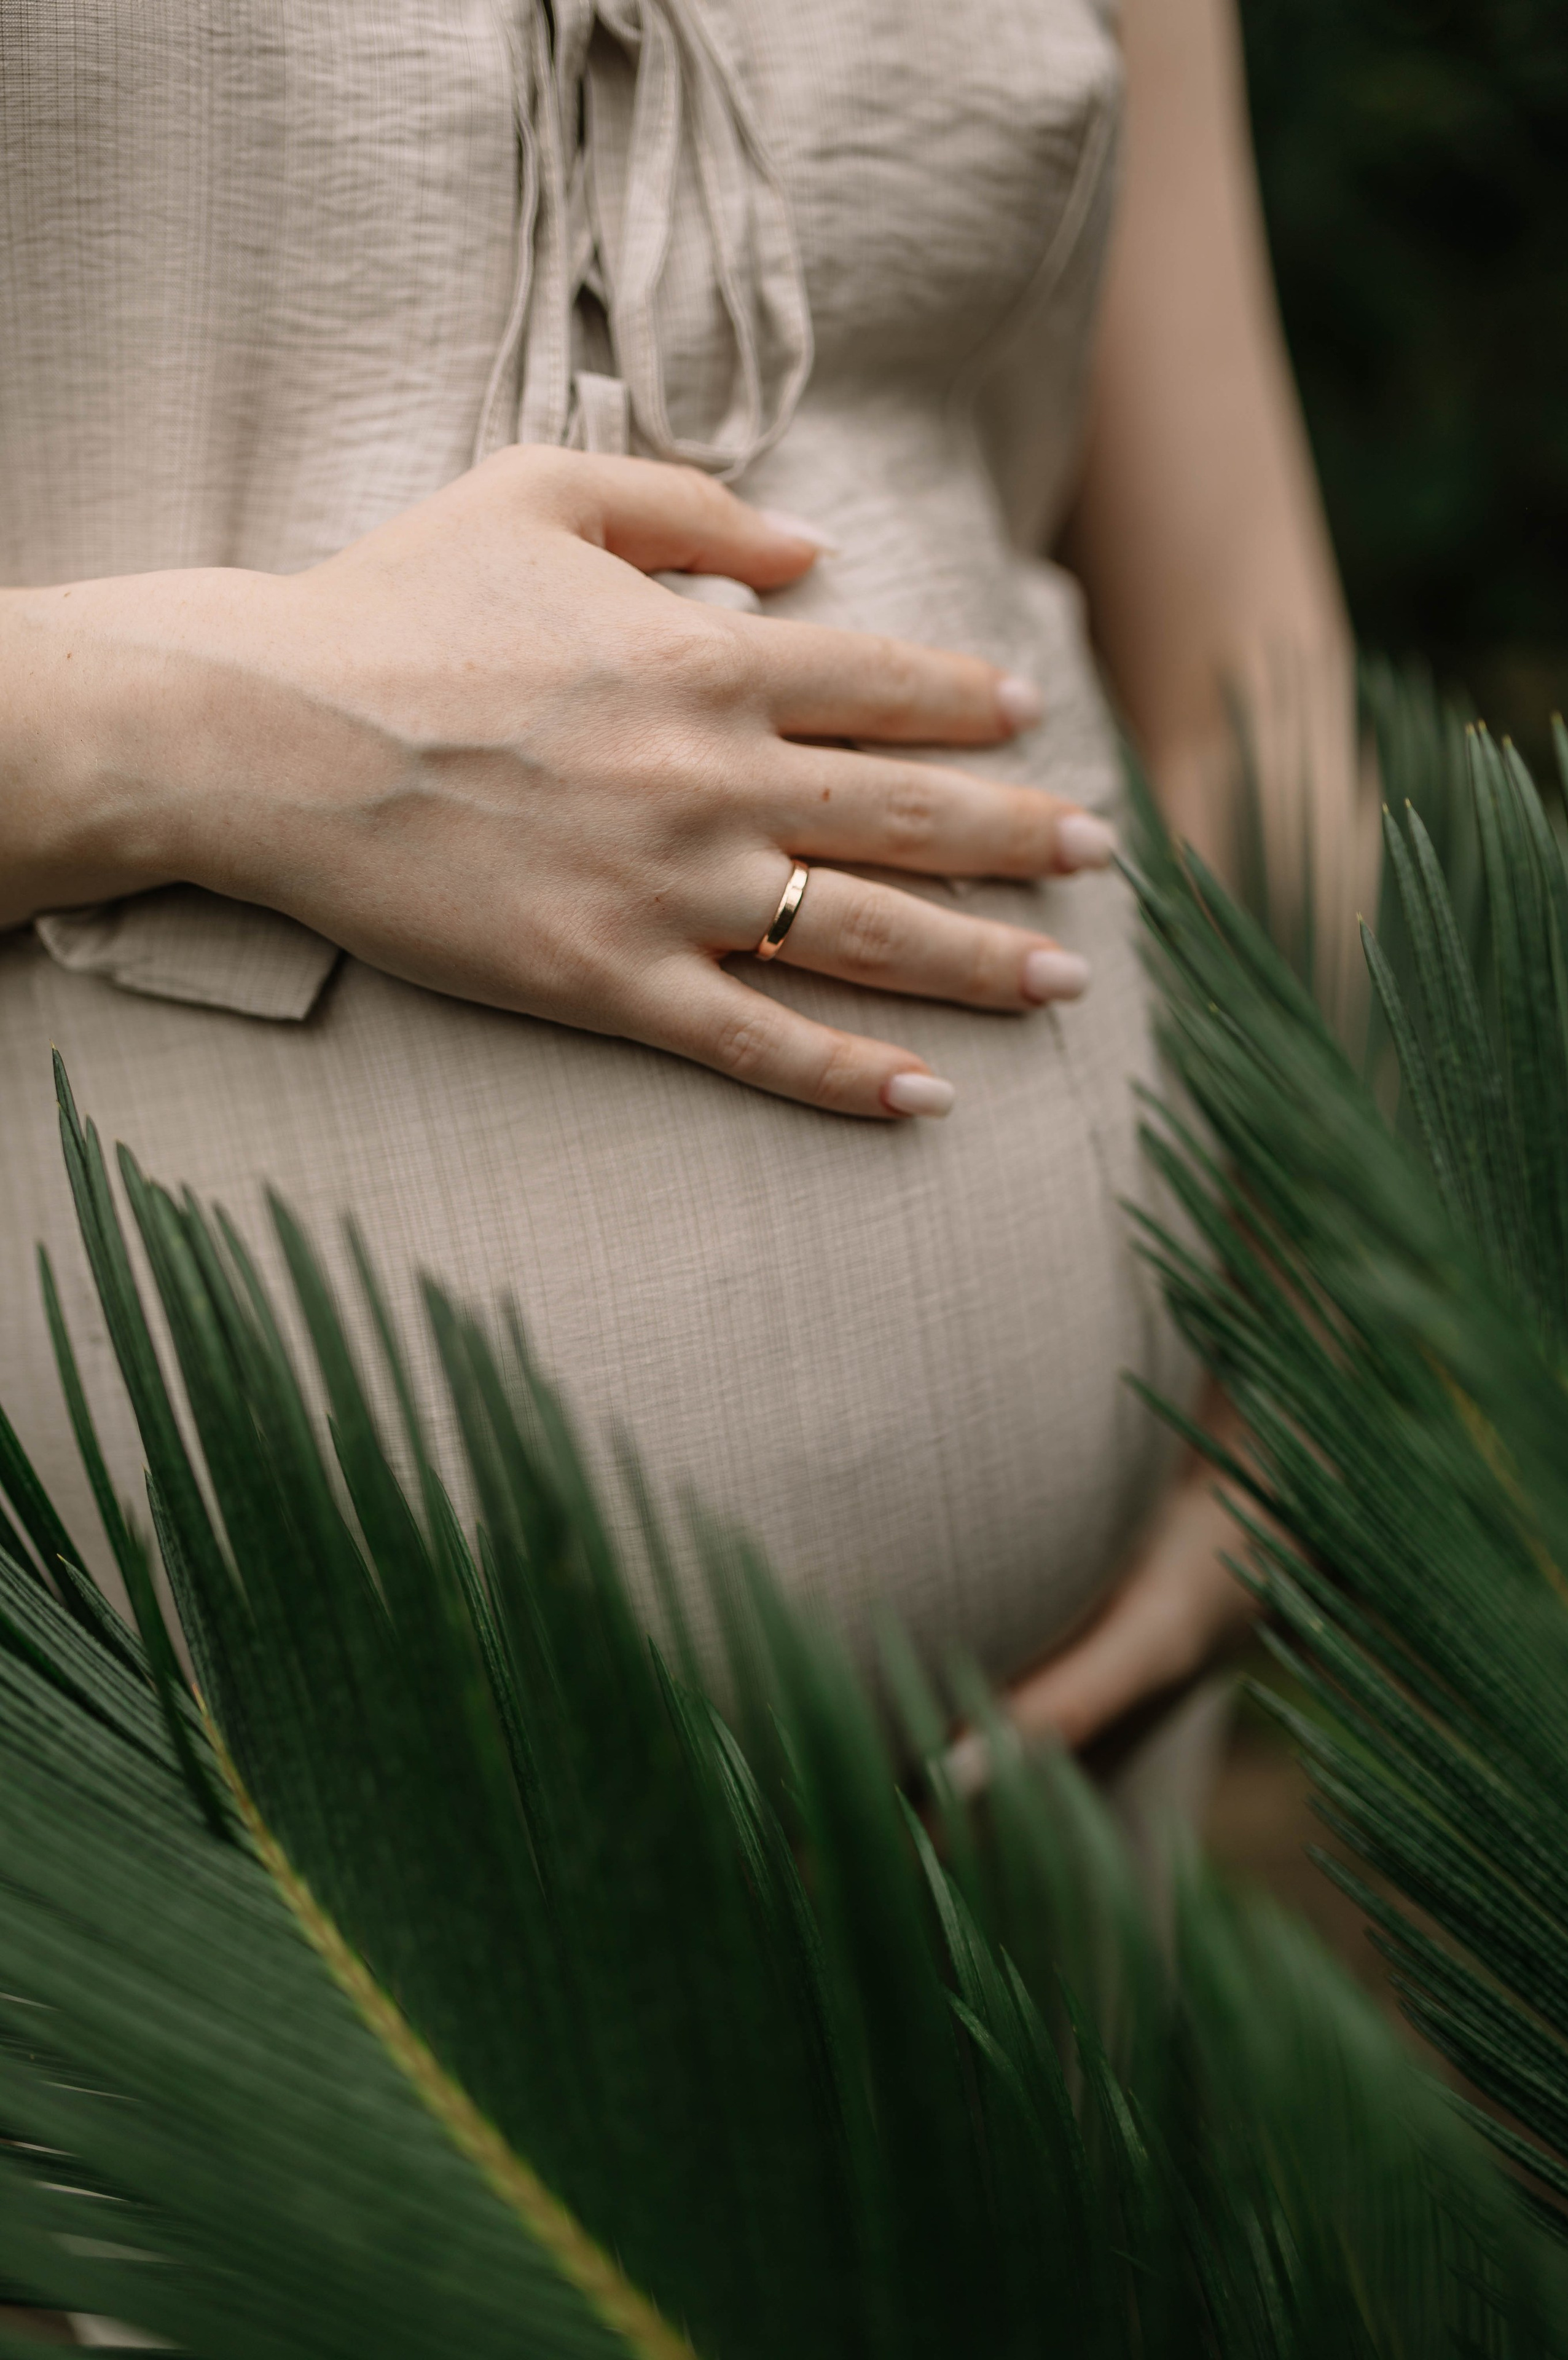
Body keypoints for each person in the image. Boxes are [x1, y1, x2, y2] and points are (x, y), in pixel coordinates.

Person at [0, 0, 1348, 1787]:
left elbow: (1236, 654)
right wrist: (221, 735)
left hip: (1054, 1808)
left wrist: (1315, 1321)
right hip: (160, 1861)